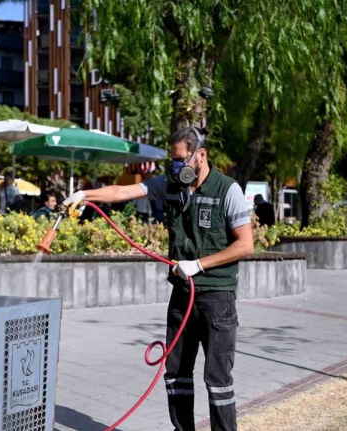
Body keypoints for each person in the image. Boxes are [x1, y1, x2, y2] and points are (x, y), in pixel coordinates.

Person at [63, 127, 254, 431]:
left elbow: (246, 244)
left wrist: (199, 265)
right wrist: (86, 194)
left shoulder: (227, 190)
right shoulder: (170, 185)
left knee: (217, 380)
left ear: (200, 155)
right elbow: (123, 192)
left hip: (216, 298)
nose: (176, 166)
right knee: (176, 374)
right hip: (181, 296)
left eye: (181, 159)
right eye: (173, 159)